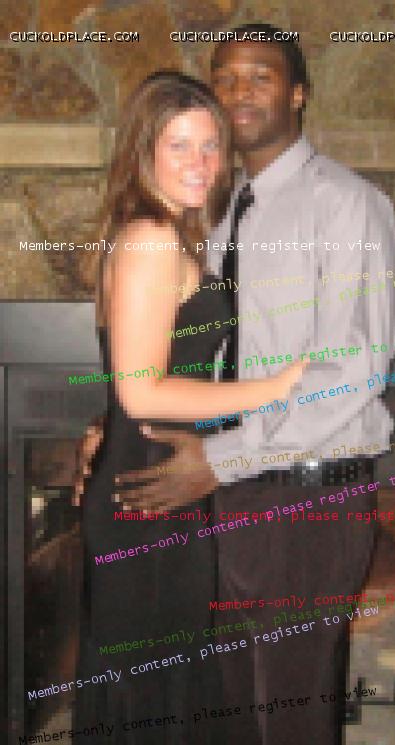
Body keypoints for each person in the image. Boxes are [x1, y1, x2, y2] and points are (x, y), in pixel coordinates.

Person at [77, 25, 395, 744]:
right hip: (213, 497)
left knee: (287, 714)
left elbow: (352, 369)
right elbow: (177, 351)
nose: (238, 92)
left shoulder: (347, 205)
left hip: (303, 497)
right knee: (219, 714)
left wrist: (219, 458)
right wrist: (116, 428)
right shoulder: (209, 206)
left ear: (299, 94)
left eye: (261, 76)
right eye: (224, 77)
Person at [73, 70, 307, 745]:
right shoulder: (151, 237)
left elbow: (148, 376)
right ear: (144, 150)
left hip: (153, 476)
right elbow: (142, 389)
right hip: (148, 493)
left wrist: (109, 428)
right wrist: (281, 384)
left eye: (211, 145)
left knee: (156, 682)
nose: (201, 162)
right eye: (180, 145)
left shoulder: (168, 231)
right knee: (153, 690)